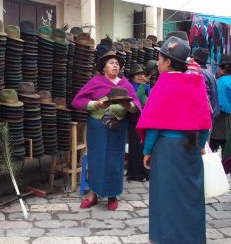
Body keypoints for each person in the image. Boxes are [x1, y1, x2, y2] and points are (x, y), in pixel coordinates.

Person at [137, 36, 212, 244]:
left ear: (168, 62)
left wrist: (147, 151)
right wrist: (201, 145)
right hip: (190, 149)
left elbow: (154, 124)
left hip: (167, 150)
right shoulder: (196, 83)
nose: (158, 63)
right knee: (190, 197)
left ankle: (166, 238)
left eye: (159, 59)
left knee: (165, 197)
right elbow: (205, 121)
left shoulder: (163, 85)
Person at [72, 51, 142, 211]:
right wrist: (95, 104)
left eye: (117, 63)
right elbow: (78, 100)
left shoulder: (125, 84)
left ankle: (112, 195)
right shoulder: (96, 82)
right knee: (96, 158)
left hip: (118, 128)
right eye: (111, 63)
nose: (115, 65)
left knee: (114, 160)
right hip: (97, 127)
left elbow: (136, 106)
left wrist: (127, 105)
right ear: (104, 67)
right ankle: (93, 195)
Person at [126, 64, 150, 181]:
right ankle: (136, 173)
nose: (141, 76)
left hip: (145, 120)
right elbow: (137, 99)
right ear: (132, 77)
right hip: (135, 120)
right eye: (138, 74)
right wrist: (143, 85)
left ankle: (145, 171)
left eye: (142, 74)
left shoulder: (145, 86)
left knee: (144, 146)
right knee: (136, 147)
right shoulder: (130, 87)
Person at [192, 47, 220, 119]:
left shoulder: (196, 73)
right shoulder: (210, 74)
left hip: (200, 115)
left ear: (194, 60)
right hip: (209, 114)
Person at [211, 54, 231, 152]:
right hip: (229, 119)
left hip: (218, 119)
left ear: (223, 69)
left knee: (213, 147)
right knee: (227, 149)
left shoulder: (219, 81)